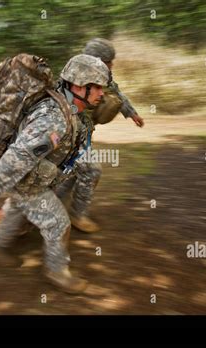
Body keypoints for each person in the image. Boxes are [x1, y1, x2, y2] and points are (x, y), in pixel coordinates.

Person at [0, 54, 110, 294]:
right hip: (26, 181)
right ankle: (57, 272)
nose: (102, 94)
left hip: (30, 177)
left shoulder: (70, 107)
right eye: (97, 88)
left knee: (16, 209)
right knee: (57, 223)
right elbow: (18, 158)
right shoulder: (54, 120)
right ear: (79, 86)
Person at [57, 38, 144, 233]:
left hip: (81, 134)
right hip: (65, 135)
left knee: (75, 171)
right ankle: (76, 215)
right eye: (107, 61)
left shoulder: (101, 75)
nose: (111, 65)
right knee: (90, 170)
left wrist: (131, 114)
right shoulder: (73, 77)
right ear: (95, 59)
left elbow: (117, 94)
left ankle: (55, 203)